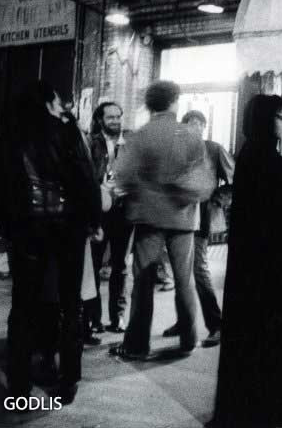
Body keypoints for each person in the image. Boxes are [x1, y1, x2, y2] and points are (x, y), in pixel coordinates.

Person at [213, 95, 282, 428]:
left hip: (258, 263)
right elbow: (271, 212)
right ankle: (264, 407)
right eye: (281, 118)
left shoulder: (256, 153)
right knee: (267, 332)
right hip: (269, 266)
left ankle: (258, 405)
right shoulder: (263, 157)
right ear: (266, 120)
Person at [4, 81, 102, 405]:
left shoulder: (9, 136)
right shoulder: (68, 133)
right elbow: (87, 181)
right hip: (68, 229)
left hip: (26, 230)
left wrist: (9, 227)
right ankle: (68, 379)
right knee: (70, 303)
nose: (63, 106)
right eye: (59, 101)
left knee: (22, 306)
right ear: (48, 103)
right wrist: (94, 221)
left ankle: (18, 383)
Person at [110, 80, 214, 360]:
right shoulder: (190, 136)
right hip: (183, 218)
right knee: (184, 281)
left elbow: (123, 177)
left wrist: (146, 189)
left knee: (143, 283)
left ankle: (137, 345)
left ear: (149, 104)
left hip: (149, 219)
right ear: (174, 102)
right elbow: (206, 182)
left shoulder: (140, 136)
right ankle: (188, 340)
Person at [163, 110, 234, 347]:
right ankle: (184, 321)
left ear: (204, 127)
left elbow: (234, 180)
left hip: (200, 218)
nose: (193, 129)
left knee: (199, 270)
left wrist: (217, 200)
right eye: (189, 125)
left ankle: (217, 324)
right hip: (177, 218)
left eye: (198, 124)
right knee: (180, 272)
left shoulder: (213, 149)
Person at [87, 101, 133, 334]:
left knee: (120, 265)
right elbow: (85, 175)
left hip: (124, 211)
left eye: (118, 116)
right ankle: (93, 318)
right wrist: (99, 186)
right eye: (110, 117)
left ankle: (118, 317)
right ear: (100, 120)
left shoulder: (131, 142)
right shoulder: (91, 142)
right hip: (99, 212)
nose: (115, 121)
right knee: (93, 266)